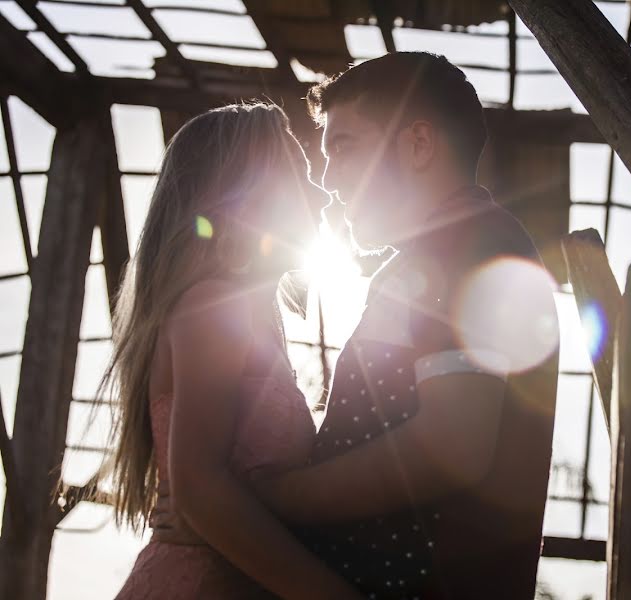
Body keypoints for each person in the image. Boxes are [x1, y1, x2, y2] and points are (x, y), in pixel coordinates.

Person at [155, 52, 560, 599]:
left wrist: (271, 499)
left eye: (343, 148)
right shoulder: (427, 260)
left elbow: (454, 444)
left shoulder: (475, 245)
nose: (327, 181)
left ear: (418, 145)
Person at [107, 102, 361, 599]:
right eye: (299, 174)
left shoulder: (252, 314)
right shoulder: (213, 305)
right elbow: (199, 490)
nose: (320, 190)